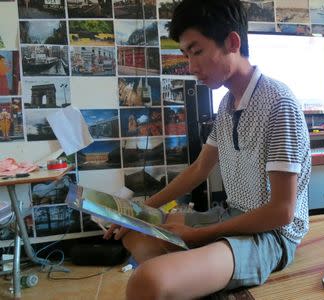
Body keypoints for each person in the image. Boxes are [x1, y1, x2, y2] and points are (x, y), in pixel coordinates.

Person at [104, 0, 311, 299]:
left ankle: (193, 273)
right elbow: (200, 168)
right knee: (136, 234)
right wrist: (139, 211)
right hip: (231, 216)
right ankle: (196, 277)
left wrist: (199, 235)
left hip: (270, 236)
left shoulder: (279, 102)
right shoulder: (228, 105)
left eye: (197, 51)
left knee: (146, 282)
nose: (191, 67)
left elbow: (282, 212)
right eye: (186, 55)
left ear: (232, 42)